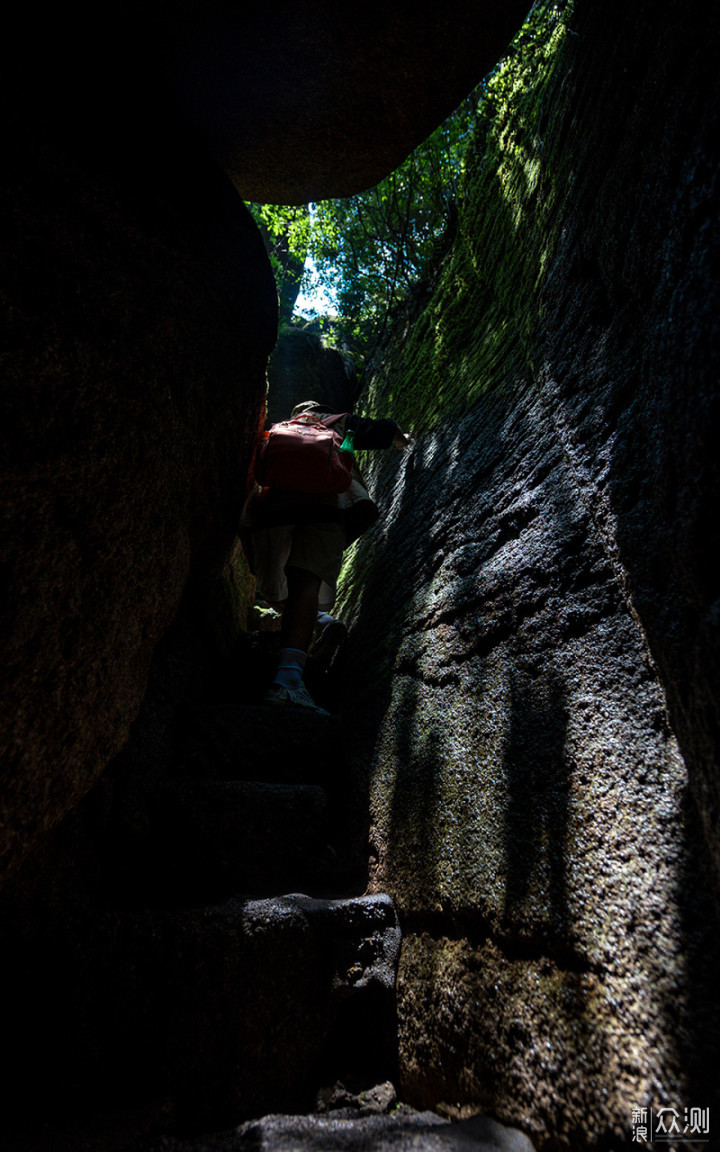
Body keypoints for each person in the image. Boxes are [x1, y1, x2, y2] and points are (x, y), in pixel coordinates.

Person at [243, 400, 411, 714]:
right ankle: (289, 681)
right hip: (326, 508)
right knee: (305, 582)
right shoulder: (338, 422)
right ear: (320, 409)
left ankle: (316, 624)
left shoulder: (279, 429)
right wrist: (402, 439)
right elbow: (380, 431)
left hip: (273, 507)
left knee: (280, 587)